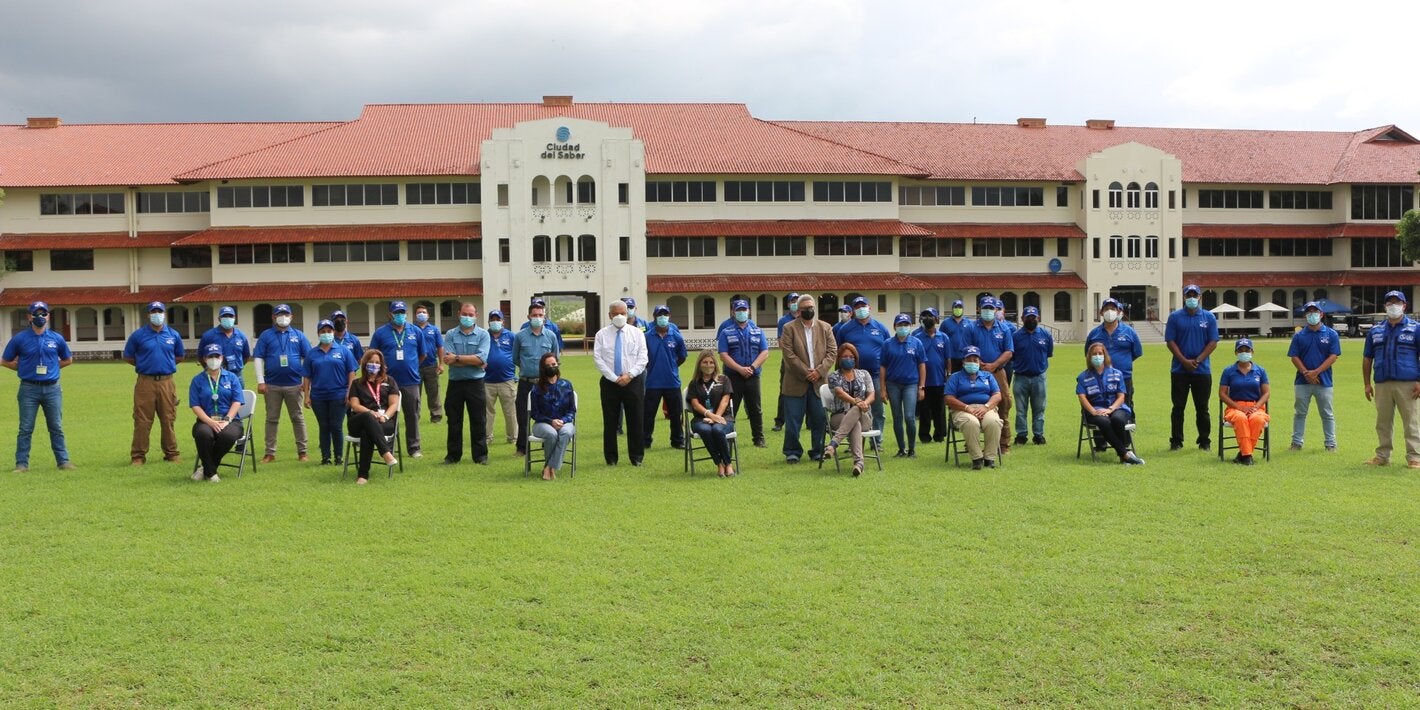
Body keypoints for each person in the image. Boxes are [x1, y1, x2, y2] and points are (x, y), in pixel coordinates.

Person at [3, 301, 74, 472]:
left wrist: (53, 369)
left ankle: (63, 461)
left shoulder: (56, 338)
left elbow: (68, 359)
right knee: (25, 428)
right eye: (36, 313)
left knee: (56, 426)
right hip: (29, 389)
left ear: (48, 316)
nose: (40, 317)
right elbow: (5, 360)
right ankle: (21, 464)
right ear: (29, 317)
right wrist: (23, 369)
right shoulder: (20, 339)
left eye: (44, 313)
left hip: (52, 389)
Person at [1362, 290, 1420, 468]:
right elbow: (1367, 358)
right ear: (1385, 306)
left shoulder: (1415, 328)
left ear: (1404, 305)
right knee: (1383, 422)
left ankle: (1414, 457)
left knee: (1411, 421)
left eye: (1397, 302)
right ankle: (1382, 456)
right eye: (1389, 303)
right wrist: (1366, 384)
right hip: (1382, 382)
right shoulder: (1376, 330)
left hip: (1408, 383)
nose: (1393, 306)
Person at [123, 301, 185, 465]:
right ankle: (138, 456)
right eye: (154, 311)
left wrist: (164, 365)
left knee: (168, 418)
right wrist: (145, 364)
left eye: (160, 311)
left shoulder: (173, 335)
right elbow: (128, 356)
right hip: (145, 382)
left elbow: (179, 356)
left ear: (164, 314)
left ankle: (171, 453)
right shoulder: (138, 335)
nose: (157, 314)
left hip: (167, 381)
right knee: (142, 420)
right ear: (148, 314)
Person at [779, 293, 836, 464]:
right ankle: (792, 451)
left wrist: (819, 371)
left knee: (819, 419)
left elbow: (832, 352)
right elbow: (788, 354)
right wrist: (807, 373)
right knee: (793, 420)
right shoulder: (789, 328)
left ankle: (817, 450)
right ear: (798, 311)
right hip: (795, 382)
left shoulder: (825, 327)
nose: (809, 310)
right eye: (805, 308)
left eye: (811, 307)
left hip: (819, 383)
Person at [253, 303, 312, 463]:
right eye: (279, 314)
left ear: (291, 317)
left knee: (298, 418)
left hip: (295, 384)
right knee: (271, 419)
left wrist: (305, 382)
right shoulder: (266, 335)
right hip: (272, 385)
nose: (283, 317)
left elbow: (309, 358)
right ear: (273, 317)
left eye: (286, 314)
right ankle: (269, 453)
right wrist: (260, 381)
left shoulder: (299, 335)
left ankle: (303, 452)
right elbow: (258, 358)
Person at [368, 300, 427, 458]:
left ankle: (414, 448)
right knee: (387, 415)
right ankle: (388, 447)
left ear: (406, 313)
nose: (400, 315)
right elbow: (373, 355)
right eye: (397, 312)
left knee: (412, 415)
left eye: (402, 312)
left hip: (411, 381)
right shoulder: (381, 333)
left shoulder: (415, 331)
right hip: (387, 382)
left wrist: (411, 365)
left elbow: (423, 354)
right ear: (390, 314)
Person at [593, 300, 648, 466]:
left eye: (622, 313)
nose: (619, 316)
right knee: (610, 421)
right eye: (615, 313)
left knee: (636, 419)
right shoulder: (601, 335)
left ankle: (636, 457)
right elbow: (598, 359)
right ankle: (611, 458)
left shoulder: (637, 333)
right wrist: (614, 378)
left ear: (628, 314)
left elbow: (643, 357)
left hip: (633, 381)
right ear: (610, 315)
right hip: (610, 382)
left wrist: (629, 375)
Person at [1165, 284, 1220, 451]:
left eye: (1194, 295)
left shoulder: (1208, 317)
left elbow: (1213, 342)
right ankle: (1176, 440)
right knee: (1178, 407)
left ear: (1200, 297)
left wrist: (1198, 360)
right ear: (1183, 297)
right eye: (1188, 295)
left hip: (1202, 370)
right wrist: (1183, 361)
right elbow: (1170, 341)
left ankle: (1204, 441)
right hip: (1179, 370)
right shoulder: (1175, 317)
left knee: (1202, 408)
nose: (1191, 298)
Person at [1077, 342, 1145, 465]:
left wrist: (1111, 409)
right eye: (1094, 354)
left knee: (1118, 419)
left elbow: (1121, 396)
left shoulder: (1116, 374)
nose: (1097, 356)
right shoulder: (1083, 377)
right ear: (1089, 357)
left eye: (1100, 353)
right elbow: (1082, 397)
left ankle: (1123, 455)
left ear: (1105, 355)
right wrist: (1092, 411)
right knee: (1104, 421)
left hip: (1117, 407)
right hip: (1095, 410)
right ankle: (1125, 454)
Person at [441, 302, 491, 466]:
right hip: (455, 383)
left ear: (476, 315)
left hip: (476, 383)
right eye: (465, 314)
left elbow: (482, 359)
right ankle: (453, 455)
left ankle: (480, 456)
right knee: (454, 420)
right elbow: (448, 359)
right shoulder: (450, 334)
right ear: (458, 314)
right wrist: (472, 360)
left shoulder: (483, 335)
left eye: (471, 315)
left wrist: (457, 358)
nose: (467, 317)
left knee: (478, 420)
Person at [837, 296, 890, 445]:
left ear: (869, 307)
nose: (861, 309)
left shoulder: (880, 328)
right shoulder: (845, 329)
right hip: (853, 376)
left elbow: (887, 352)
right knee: (854, 409)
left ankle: (877, 442)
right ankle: (855, 442)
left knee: (878, 410)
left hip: (876, 376)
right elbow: (840, 351)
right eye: (857, 307)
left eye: (863, 306)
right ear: (853, 311)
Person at [963, 296, 1014, 454]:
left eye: (991, 308)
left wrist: (994, 365)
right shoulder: (971, 328)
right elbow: (966, 350)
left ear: (996, 310)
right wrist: (980, 364)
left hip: (998, 372)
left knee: (1004, 404)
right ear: (979, 309)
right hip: (975, 372)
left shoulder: (1003, 329)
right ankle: (973, 443)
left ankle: (1003, 444)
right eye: (985, 308)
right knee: (975, 403)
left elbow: (1009, 351)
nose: (988, 311)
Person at [302, 319, 357, 465]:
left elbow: (351, 373)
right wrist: (306, 395)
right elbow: (307, 376)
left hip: (339, 394)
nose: (326, 334)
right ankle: (325, 457)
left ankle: (339, 456)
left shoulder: (343, 351)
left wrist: (349, 392)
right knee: (324, 426)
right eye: (323, 331)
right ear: (318, 333)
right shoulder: (312, 353)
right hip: (318, 396)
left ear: (333, 332)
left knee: (336, 426)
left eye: (329, 331)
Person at [1288, 301, 1341, 452]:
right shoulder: (1299, 335)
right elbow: (1294, 356)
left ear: (1321, 314)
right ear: (1305, 315)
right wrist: (1306, 373)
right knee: (1300, 413)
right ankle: (1296, 442)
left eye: (1315, 312)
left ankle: (1330, 443)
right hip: (1302, 380)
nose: (1312, 315)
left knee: (1327, 413)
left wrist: (1316, 372)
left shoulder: (1331, 334)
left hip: (1324, 381)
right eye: (1309, 312)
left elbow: (1333, 356)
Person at [717, 298, 771, 448]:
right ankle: (727, 438)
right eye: (738, 310)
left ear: (749, 311)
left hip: (753, 376)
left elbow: (765, 352)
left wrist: (752, 368)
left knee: (755, 409)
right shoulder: (726, 332)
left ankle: (758, 438)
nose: (742, 313)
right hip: (733, 377)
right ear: (733, 312)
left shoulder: (757, 331)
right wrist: (740, 369)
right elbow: (723, 355)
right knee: (730, 409)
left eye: (744, 310)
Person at [189, 343, 246, 482]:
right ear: (204, 359)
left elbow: (237, 401)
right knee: (203, 434)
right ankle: (212, 473)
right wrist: (210, 422)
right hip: (206, 420)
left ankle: (206, 469)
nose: (214, 359)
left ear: (222, 358)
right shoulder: (197, 380)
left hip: (231, 421)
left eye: (217, 356)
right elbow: (195, 405)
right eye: (210, 356)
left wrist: (226, 420)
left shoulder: (232, 378)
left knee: (227, 436)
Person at [513, 301, 561, 456]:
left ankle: (547, 443)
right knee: (522, 415)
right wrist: (528, 368)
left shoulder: (551, 336)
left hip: (545, 384)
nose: (537, 318)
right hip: (526, 382)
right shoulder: (520, 336)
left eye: (540, 315)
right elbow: (515, 358)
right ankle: (522, 448)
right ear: (528, 316)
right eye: (534, 315)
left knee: (547, 414)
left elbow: (555, 359)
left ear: (544, 317)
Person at [347, 350, 401, 484]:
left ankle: (363, 476)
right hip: (358, 420)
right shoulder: (356, 383)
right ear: (365, 364)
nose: (374, 365)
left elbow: (394, 404)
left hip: (384, 421)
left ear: (382, 365)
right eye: (371, 362)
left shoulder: (390, 381)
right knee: (367, 417)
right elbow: (354, 405)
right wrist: (371, 413)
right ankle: (386, 453)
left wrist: (385, 417)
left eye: (377, 363)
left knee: (368, 432)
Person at [944, 346, 1002, 470]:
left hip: (986, 408)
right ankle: (977, 458)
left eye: (975, 360)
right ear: (963, 362)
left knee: (994, 422)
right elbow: (948, 398)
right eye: (969, 360)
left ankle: (989, 458)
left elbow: (997, 395)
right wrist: (967, 408)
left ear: (980, 362)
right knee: (971, 422)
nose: (972, 363)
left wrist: (986, 407)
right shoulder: (955, 377)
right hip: (963, 409)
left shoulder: (987, 376)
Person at [824, 342, 875, 477]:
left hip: (864, 416)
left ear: (856, 358)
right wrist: (856, 401)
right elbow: (839, 393)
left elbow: (872, 394)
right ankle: (859, 463)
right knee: (854, 422)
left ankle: (833, 444)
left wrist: (864, 403)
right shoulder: (833, 376)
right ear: (839, 359)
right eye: (845, 356)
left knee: (856, 413)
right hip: (839, 416)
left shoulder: (864, 374)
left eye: (851, 356)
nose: (848, 359)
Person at [880, 313, 926, 458]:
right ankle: (901, 448)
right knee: (897, 417)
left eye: (906, 325)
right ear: (894, 327)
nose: (903, 327)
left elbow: (922, 365)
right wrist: (882, 389)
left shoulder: (916, 343)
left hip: (911, 384)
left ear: (910, 326)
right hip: (893, 384)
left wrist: (922, 387)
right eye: (900, 325)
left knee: (909, 417)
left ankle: (912, 448)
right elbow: (883, 367)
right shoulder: (887, 344)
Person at [685, 349, 736, 477]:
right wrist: (710, 415)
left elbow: (725, 401)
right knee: (706, 430)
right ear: (699, 364)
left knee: (717, 430)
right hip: (701, 419)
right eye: (705, 362)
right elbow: (695, 405)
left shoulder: (724, 379)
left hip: (724, 418)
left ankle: (728, 464)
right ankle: (719, 463)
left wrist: (716, 417)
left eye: (711, 363)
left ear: (715, 364)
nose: (708, 365)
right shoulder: (694, 383)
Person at [1219, 338, 1271, 465]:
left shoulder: (1260, 371)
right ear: (1236, 353)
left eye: (1247, 350)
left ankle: (1243, 454)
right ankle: (1247, 456)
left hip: (1256, 406)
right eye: (1240, 350)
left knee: (1258, 420)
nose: (1244, 352)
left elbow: (1266, 393)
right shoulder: (1228, 371)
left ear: (1252, 351)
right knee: (1241, 419)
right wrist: (1238, 407)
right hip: (1235, 407)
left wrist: (1256, 407)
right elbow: (1222, 393)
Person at [643, 304, 687, 450]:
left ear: (669, 316)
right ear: (655, 317)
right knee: (648, 415)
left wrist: (671, 366)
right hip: (652, 382)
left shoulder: (676, 336)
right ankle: (645, 441)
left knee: (676, 414)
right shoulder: (647, 336)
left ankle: (677, 440)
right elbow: (642, 358)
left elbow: (682, 357)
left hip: (672, 382)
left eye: (665, 314)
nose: (662, 317)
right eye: (659, 315)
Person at [1085, 298, 1143, 407]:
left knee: (1126, 407)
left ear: (1119, 312)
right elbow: (1088, 354)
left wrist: (1123, 362)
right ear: (1101, 312)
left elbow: (1137, 353)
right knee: (1102, 408)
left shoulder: (1129, 332)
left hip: (1124, 377)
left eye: (1113, 308)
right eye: (1106, 309)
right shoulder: (1094, 334)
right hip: (1100, 379)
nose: (1109, 311)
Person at [1012, 306, 1054, 446]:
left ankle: (1038, 435)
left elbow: (1048, 353)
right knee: (1020, 409)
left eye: (1033, 317)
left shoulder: (1046, 335)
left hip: (1039, 377)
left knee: (1039, 409)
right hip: (1020, 377)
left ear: (1038, 318)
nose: (1031, 319)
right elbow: (1012, 355)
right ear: (1022, 318)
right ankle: (1021, 435)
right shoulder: (1016, 336)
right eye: (1028, 317)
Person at [530, 352, 576, 480]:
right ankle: (551, 468)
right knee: (552, 434)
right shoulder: (537, 388)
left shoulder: (567, 385)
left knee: (566, 432)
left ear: (558, 365)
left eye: (554, 364)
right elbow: (535, 413)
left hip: (564, 422)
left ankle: (549, 467)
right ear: (543, 368)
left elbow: (572, 410)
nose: (551, 367)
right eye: (548, 365)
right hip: (542, 424)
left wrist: (562, 420)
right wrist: (551, 421)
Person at [912, 307, 951, 444]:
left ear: (936, 319)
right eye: (925, 316)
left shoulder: (944, 337)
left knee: (939, 409)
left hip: (939, 379)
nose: (927, 319)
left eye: (930, 316)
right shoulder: (917, 338)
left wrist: (949, 374)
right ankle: (924, 436)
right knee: (924, 410)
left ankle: (939, 435)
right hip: (923, 381)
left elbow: (948, 358)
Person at [483, 309, 519, 448]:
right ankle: (487, 437)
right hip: (487, 381)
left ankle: (512, 437)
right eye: (492, 319)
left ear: (503, 321)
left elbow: (517, 355)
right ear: (488, 321)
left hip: (507, 380)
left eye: (498, 319)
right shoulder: (484, 335)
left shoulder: (511, 336)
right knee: (487, 412)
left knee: (510, 412)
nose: (495, 322)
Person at [197, 305, 252, 389]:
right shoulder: (208, 336)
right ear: (219, 319)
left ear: (234, 318)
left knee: (238, 400)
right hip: (215, 374)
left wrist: (236, 366)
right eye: (224, 316)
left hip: (237, 375)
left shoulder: (241, 336)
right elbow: (201, 357)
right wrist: (211, 367)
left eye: (230, 316)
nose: (228, 318)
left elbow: (246, 356)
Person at [413, 303, 447, 424]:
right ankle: (415, 417)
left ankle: (436, 416)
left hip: (431, 366)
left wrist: (441, 363)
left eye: (424, 312)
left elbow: (440, 347)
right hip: (415, 367)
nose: (421, 314)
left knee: (433, 392)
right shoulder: (412, 329)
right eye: (419, 313)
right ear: (415, 315)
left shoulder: (434, 330)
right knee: (415, 394)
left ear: (428, 315)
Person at [773, 292, 800, 432]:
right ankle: (779, 421)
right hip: (788, 362)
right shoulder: (783, 321)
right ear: (788, 304)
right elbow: (780, 343)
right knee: (784, 390)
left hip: (805, 362)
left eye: (797, 300)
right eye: (792, 301)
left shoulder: (805, 318)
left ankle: (809, 422)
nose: (795, 303)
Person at [942, 298, 971, 373]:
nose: (958, 309)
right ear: (952, 309)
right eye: (956, 307)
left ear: (963, 309)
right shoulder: (945, 323)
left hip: (965, 356)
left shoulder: (969, 323)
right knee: (952, 379)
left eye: (960, 307)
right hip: (950, 358)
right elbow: (941, 339)